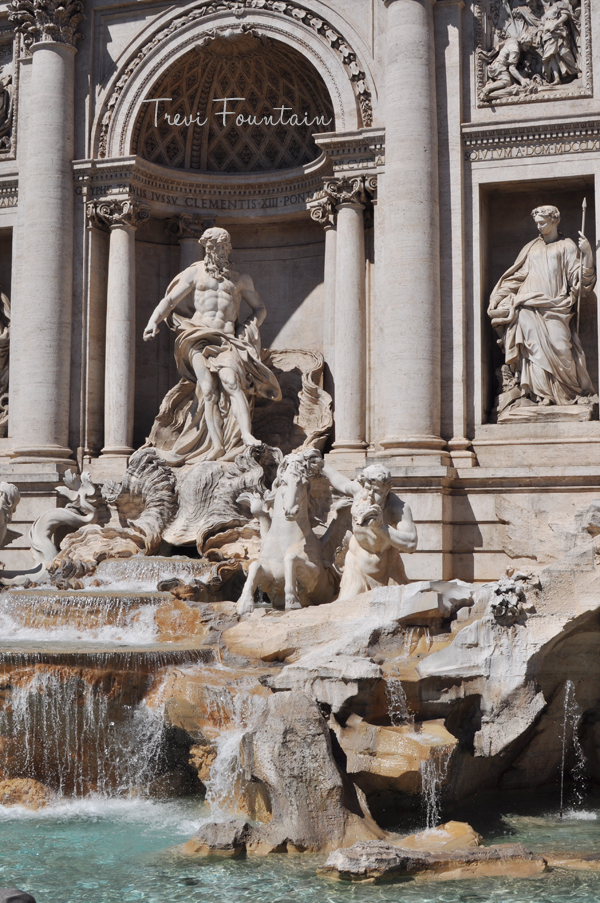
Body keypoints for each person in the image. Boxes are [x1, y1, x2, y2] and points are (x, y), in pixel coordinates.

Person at [143, 227, 281, 463]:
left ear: (227, 248)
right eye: (209, 247)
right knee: (206, 389)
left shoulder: (239, 278)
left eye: (218, 247)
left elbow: (260, 308)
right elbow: (170, 300)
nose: (213, 251)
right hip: (197, 336)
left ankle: (246, 435)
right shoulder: (195, 273)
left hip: (227, 339)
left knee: (232, 383)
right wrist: (152, 321)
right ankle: (216, 446)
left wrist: (246, 327)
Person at [488, 204, 596, 408]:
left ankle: (567, 392)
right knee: (533, 350)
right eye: (536, 223)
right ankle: (540, 395)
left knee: (561, 347)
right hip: (527, 305)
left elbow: (580, 282)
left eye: (543, 222)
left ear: (555, 220)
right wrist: (498, 296)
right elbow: (516, 277)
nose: (539, 227)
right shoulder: (531, 248)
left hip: (556, 306)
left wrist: (588, 254)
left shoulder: (567, 246)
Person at [322, 461, 417, 599]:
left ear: (387, 489)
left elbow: (411, 544)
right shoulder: (358, 491)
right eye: (367, 488)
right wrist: (321, 464)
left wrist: (382, 528)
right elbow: (338, 481)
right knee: (346, 608)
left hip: (388, 570)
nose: (370, 495)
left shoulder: (398, 508)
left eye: (377, 491)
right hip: (356, 566)